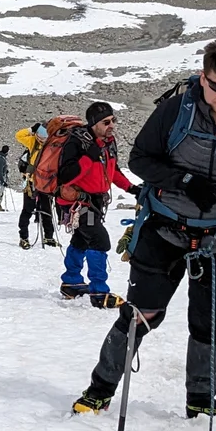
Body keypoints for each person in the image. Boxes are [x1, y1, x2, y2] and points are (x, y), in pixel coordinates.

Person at [73, 38, 216, 421]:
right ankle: (99, 390)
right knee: (143, 314)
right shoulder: (177, 111)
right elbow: (140, 158)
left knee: (207, 322)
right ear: (203, 77)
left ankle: (201, 400)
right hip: (163, 230)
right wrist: (184, 180)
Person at [55, 102, 136, 305]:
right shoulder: (77, 142)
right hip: (79, 202)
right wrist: (88, 157)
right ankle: (99, 293)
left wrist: (132, 189)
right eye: (106, 122)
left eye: (113, 120)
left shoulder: (107, 142)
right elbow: (66, 176)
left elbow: (112, 170)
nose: (111, 125)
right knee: (100, 240)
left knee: (82, 240)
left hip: (95, 202)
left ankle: (71, 283)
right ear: (93, 124)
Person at [14, 121, 56, 249]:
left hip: (45, 183)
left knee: (46, 211)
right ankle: (24, 237)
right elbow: (19, 135)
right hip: (32, 182)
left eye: (44, 136)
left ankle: (49, 237)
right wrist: (31, 129)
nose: (41, 138)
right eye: (40, 135)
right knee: (28, 210)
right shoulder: (33, 142)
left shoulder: (53, 145)